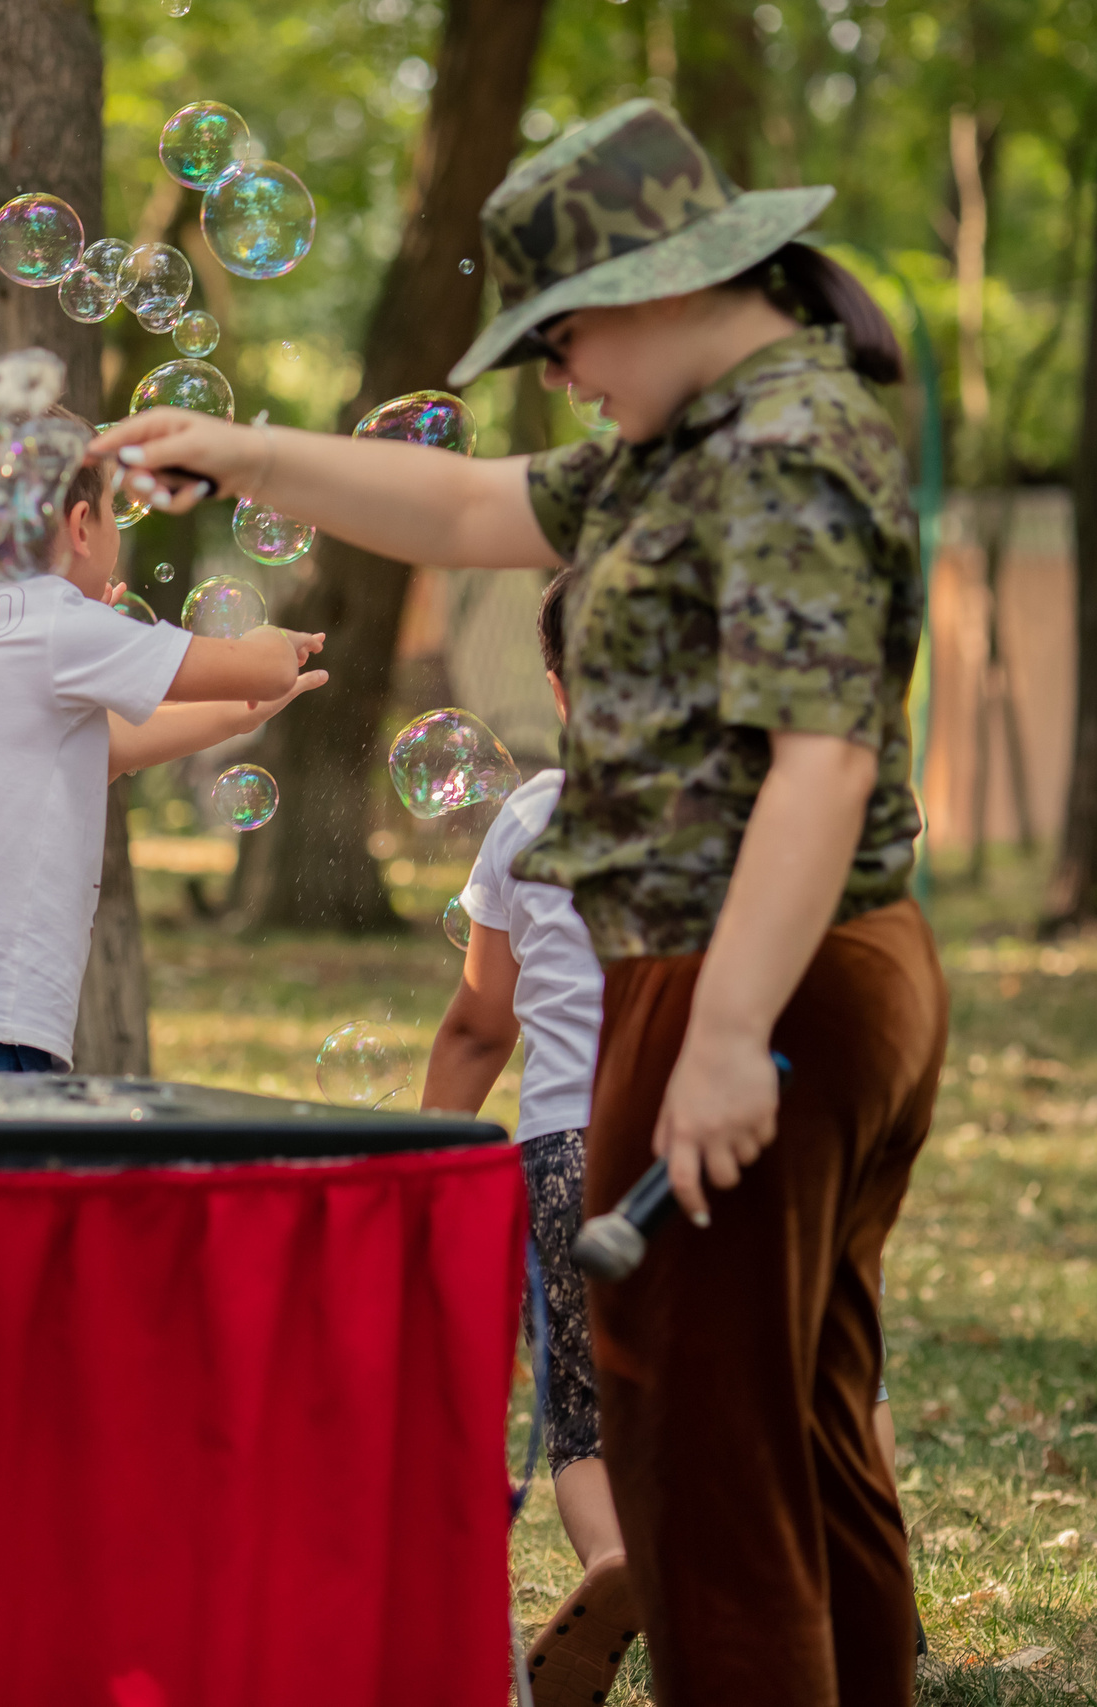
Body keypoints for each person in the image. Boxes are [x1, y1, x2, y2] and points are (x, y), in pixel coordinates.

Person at [96, 99, 939, 1707]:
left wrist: (725, 1031)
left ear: (660, 285)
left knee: (709, 1458)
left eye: (560, 336)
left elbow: (823, 757)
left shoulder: (778, 451)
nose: (559, 375)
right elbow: (471, 508)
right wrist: (248, 453)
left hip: (761, 972)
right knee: (805, 1425)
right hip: (763, 965)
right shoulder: (690, 443)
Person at [0, 412, 327, 1074]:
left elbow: (104, 748)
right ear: (81, 525)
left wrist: (233, 718)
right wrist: (272, 646)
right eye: (114, 511)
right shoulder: (59, 625)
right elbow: (258, 669)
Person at [420, 570, 633, 1704]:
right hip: (709, 1133)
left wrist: (420, 1165)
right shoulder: (736, 803)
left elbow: (477, 1025)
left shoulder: (528, 816)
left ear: (558, 687)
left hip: (565, 1153)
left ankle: (612, 1562)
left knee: (584, 1420)